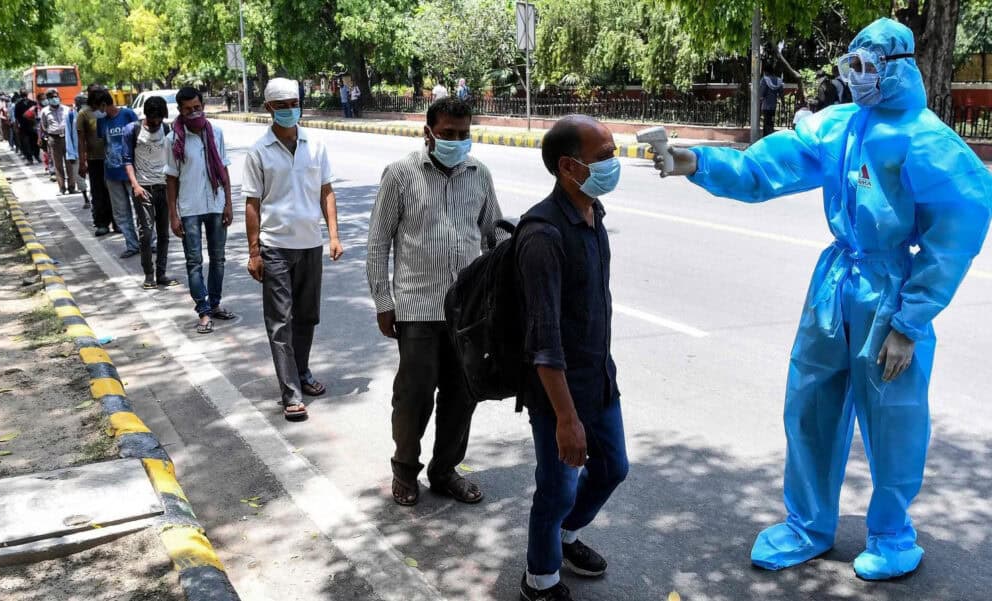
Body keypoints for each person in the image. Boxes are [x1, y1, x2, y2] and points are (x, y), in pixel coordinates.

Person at [656, 18, 992, 581]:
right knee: (810, 401)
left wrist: (910, 322)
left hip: (889, 291)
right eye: (850, 67)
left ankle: (891, 532)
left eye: (867, 68)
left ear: (898, 69)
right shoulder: (838, 127)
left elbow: (956, 231)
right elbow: (769, 165)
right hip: (834, 283)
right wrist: (698, 162)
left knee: (893, 416)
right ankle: (808, 523)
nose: (856, 78)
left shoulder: (927, 139)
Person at [366, 97, 504, 507]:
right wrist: (383, 301)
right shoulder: (400, 175)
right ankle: (405, 469)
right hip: (417, 307)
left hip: (467, 313)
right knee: (414, 394)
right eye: (448, 134)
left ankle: (444, 471)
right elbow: (378, 244)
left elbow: (493, 233)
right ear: (428, 133)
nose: (457, 142)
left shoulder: (480, 174)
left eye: (464, 135)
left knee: (463, 396)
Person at [514, 115, 628, 601]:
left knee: (613, 468)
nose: (614, 163)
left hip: (599, 379)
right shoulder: (543, 234)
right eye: (603, 155)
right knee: (557, 489)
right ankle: (539, 579)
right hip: (557, 393)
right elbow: (544, 338)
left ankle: (564, 535)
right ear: (568, 166)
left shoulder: (592, 213)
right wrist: (566, 419)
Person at [244, 78, 344, 420]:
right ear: (269, 108)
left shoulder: (315, 145)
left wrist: (333, 235)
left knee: (307, 316)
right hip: (275, 246)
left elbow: (326, 191)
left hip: (310, 244)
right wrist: (254, 252)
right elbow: (252, 203)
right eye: (282, 104)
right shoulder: (259, 152)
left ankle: (301, 372)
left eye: (294, 103)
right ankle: (290, 391)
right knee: (280, 321)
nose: (290, 109)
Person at [166, 86, 234, 334]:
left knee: (218, 258)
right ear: (180, 111)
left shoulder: (216, 133)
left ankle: (214, 304)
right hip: (190, 208)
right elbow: (171, 179)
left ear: (203, 106)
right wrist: (173, 215)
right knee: (194, 262)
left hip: (215, 204)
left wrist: (228, 202)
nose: (193, 113)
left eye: (197, 107)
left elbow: (224, 169)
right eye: (188, 110)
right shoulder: (173, 139)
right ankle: (203, 311)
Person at [123, 95, 179, 290]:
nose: (157, 123)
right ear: (146, 115)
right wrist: (135, 185)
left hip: (164, 187)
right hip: (143, 189)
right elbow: (127, 159)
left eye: (160, 119)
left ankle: (161, 273)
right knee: (146, 233)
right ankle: (149, 274)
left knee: (164, 234)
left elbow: (173, 159)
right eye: (153, 119)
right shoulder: (133, 130)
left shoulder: (166, 129)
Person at [90, 88, 141, 257]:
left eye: (97, 108)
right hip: (111, 173)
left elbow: (139, 139)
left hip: (131, 172)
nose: (96, 112)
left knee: (141, 209)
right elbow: (105, 143)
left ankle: (149, 242)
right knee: (121, 212)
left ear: (104, 104)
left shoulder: (127, 115)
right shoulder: (102, 122)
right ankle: (132, 244)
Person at [78, 85, 117, 236]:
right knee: (98, 192)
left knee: (114, 192)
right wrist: (83, 161)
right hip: (95, 159)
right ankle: (101, 222)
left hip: (112, 158)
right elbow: (81, 140)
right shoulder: (84, 114)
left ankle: (117, 221)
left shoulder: (108, 111)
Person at [39, 90, 76, 195]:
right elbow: (44, 126)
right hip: (54, 139)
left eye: (56, 96)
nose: (55, 99)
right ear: (49, 99)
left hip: (67, 138)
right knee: (58, 165)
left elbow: (71, 123)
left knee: (69, 162)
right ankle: (62, 188)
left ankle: (72, 186)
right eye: (52, 97)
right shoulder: (45, 111)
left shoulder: (66, 109)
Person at [66, 94, 91, 208]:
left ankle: (94, 197)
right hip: (76, 152)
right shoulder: (71, 116)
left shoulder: (92, 114)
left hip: (92, 152)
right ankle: (86, 199)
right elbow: (68, 135)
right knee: (80, 178)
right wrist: (70, 153)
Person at [14, 92, 40, 165]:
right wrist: (17, 127)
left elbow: (37, 115)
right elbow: (16, 117)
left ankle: (36, 156)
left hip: (32, 126)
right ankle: (30, 158)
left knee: (34, 142)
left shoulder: (33, 103)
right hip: (23, 126)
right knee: (26, 143)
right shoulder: (18, 104)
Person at [760, 66, 784, 136]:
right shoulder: (779, 80)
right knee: (771, 122)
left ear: (766, 72)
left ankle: (765, 137)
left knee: (766, 123)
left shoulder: (765, 80)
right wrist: (783, 104)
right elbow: (781, 94)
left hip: (766, 105)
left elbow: (762, 93)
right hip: (773, 105)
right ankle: (770, 135)